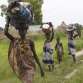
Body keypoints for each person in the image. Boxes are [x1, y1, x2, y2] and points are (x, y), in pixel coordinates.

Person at [4, 1, 44, 83]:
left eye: (23, 30)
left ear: (26, 31)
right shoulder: (15, 40)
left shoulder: (30, 42)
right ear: (18, 31)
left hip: (30, 67)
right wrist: (8, 22)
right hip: (21, 68)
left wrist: (41, 68)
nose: (22, 31)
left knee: (28, 81)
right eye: (20, 30)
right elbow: (5, 33)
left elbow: (35, 55)